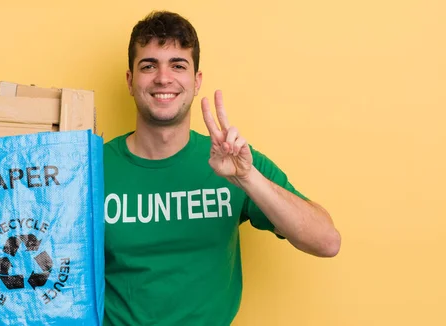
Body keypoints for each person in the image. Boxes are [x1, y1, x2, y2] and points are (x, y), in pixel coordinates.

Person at [103, 10, 341, 326]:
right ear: (131, 81)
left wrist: (247, 177)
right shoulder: (91, 168)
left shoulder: (234, 161)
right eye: (149, 66)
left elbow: (326, 242)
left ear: (196, 80)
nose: (163, 78)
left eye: (178, 65)